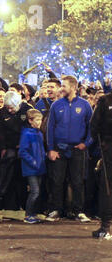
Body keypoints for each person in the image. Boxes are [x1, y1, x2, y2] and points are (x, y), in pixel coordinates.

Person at [46, 75, 93, 223]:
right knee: (57, 181)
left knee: (78, 182)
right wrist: (51, 149)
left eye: (64, 86)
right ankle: (56, 210)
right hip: (59, 149)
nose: (61, 88)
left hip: (77, 149)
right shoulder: (56, 105)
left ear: (73, 87)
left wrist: (86, 143)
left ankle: (79, 211)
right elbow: (50, 128)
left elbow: (92, 127)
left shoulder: (85, 105)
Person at [90, 91, 112, 238]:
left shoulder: (105, 100)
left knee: (107, 188)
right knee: (107, 188)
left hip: (107, 147)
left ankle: (105, 227)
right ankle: (105, 226)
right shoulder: (105, 100)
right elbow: (94, 126)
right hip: (109, 150)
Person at [19, 109, 46, 224]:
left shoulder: (39, 133)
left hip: (39, 167)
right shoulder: (27, 134)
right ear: (30, 121)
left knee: (37, 192)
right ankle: (28, 214)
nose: (40, 122)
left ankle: (33, 213)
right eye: (37, 120)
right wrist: (34, 162)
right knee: (34, 191)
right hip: (31, 168)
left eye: (40, 119)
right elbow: (22, 152)